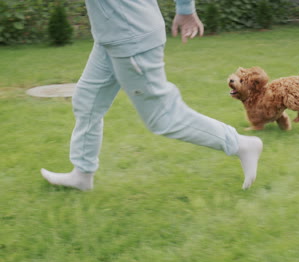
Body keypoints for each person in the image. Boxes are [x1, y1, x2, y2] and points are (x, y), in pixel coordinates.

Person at [40, 0, 263, 190]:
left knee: (162, 117)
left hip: (131, 37)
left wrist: (185, 8)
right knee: (87, 101)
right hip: (111, 35)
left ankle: (241, 145)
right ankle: (82, 174)